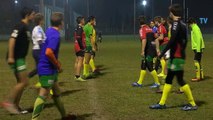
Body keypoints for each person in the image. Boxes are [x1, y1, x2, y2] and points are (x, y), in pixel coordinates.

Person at [150, 4, 198, 111]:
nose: (169, 14)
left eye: (170, 12)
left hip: (176, 56)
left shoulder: (176, 24)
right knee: (169, 79)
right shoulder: (183, 24)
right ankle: (162, 103)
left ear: (172, 13)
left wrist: (162, 53)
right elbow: (185, 41)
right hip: (178, 55)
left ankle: (192, 104)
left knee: (180, 80)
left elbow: (172, 41)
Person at [32, 12, 76, 120]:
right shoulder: (55, 35)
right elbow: (48, 52)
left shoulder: (49, 30)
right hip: (47, 68)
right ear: (61, 23)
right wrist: (57, 65)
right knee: (43, 94)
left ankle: (64, 116)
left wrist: (56, 63)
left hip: (50, 68)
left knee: (56, 92)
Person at [1, 7, 35, 114]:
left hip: (20, 58)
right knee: (24, 82)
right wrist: (11, 56)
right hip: (16, 59)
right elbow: (12, 39)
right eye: (33, 14)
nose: (34, 16)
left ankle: (16, 106)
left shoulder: (26, 27)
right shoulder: (20, 26)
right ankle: (8, 102)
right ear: (28, 15)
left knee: (21, 83)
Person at [132, 16, 161, 88]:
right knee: (143, 66)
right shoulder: (150, 29)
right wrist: (157, 49)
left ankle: (157, 83)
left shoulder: (142, 29)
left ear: (139, 23)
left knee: (150, 66)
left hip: (148, 51)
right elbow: (156, 38)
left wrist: (142, 51)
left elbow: (144, 40)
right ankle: (139, 83)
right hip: (152, 50)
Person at [28, 13, 46, 87]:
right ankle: (26, 77)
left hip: (36, 50)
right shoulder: (38, 29)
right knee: (41, 67)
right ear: (40, 20)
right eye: (43, 19)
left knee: (39, 67)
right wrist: (43, 51)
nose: (44, 21)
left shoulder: (38, 28)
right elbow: (39, 41)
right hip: (38, 50)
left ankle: (40, 82)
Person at [188, 17, 205, 82]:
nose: (189, 26)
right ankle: (201, 76)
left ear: (191, 23)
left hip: (198, 48)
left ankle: (198, 77)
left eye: (189, 24)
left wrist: (198, 50)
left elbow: (198, 39)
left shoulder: (195, 28)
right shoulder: (195, 28)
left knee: (196, 61)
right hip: (198, 47)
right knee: (198, 61)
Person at [74, 16, 87, 82]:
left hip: (76, 46)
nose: (84, 21)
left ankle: (76, 74)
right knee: (80, 61)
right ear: (81, 21)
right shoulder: (80, 28)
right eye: (83, 20)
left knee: (77, 60)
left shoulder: (77, 27)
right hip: (79, 46)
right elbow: (79, 37)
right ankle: (78, 76)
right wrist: (82, 46)